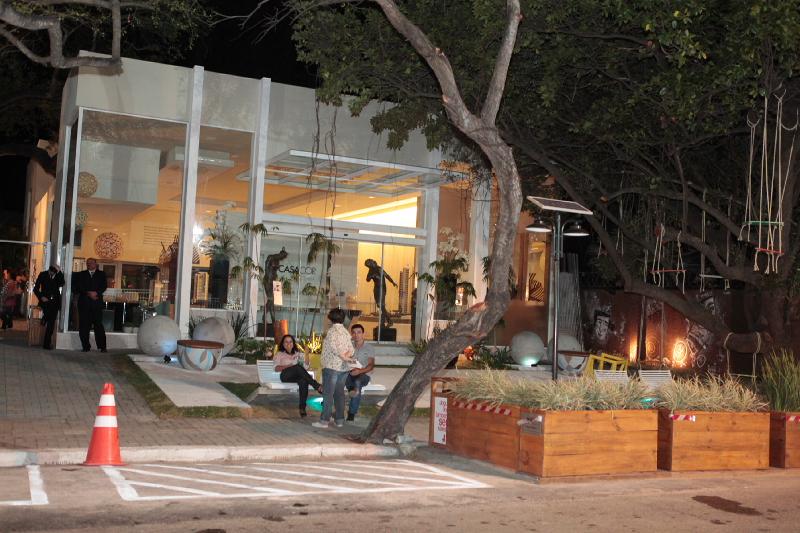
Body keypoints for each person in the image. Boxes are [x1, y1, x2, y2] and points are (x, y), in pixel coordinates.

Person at [312, 308, 354, 429]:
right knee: (339, 394)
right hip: (343, 368)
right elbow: (351, 349)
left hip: (331, 367)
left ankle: (324, 421)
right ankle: (339, 420)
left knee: (328, 395)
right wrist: (346, 357)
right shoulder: (345, 332)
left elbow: (334, 348)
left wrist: (343, 356)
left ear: (331, 318)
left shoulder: (331, 332)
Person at [274, 334, 323, 418]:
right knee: (297, 367)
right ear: (283, 344)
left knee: (303, 381)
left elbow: (305, 367)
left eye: (290, 342)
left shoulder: (298, 354)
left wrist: (306, 355)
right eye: (286, 342)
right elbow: (276, 368)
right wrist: (290, 365)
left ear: (293, 343)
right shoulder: (279, 354)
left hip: (296, 376)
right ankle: (317, 386)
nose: (288, 344)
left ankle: (302, 408)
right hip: (285, 375)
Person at [73, 258, 107, 352]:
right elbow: (78, 287)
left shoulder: (101, 274)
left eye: (91, 263)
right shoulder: (81, 274)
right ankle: (86, 347)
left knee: (98, 325)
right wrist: (88, 293)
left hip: (96, 303)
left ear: (95, 264)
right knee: (84, 326)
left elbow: (104, 286)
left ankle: (102, 347)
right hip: (84, 304)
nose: (89, 264)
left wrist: (96, 293)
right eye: (87, 263)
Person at [345, 323, 375, 421]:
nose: (356, 335)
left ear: (363, 334)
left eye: (359, 332)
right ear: (351, 334)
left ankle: (351, 413)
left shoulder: (369, 348)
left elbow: (371, 366)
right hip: (350, 372)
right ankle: (350, 389)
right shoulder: (349, 347)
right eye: (354, 333)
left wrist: (359, 371)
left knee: (357, 383)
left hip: (363, 374)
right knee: (341, 377)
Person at [33, 265, 65, 350]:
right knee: (49, 316)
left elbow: (62, 283)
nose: (52, 274)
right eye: (51, 272)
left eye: (54, 273)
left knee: (51, 323)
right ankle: (45, 318)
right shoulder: (43, 274)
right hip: (45, 301)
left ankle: (46, 344)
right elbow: (35, 289)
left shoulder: (58, 275)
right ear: (49, 270)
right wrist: (41, 297)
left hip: (55, 302)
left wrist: (59, 272)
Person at [365, 259, 397, 328]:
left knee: (381, 305)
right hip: (376, 289)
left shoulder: (379, 269)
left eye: (370, 264)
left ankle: (382, 323)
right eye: (368, 265)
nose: (369, 266)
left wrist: (392, 282)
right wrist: (371, 276)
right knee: (380, 306)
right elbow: (367, 279)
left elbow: (386, 275)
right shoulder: (371, 270)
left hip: (382, 289)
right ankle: (389, 320)